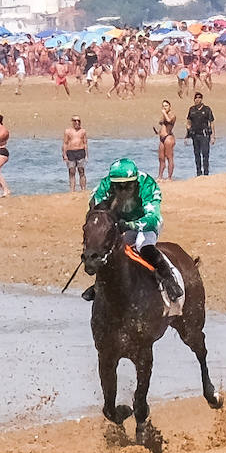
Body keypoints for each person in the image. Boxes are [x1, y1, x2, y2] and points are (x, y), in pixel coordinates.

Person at [86, 158, 183, 303]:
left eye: (127, 187)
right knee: (107, 250)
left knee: (142, 246)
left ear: (134, 182)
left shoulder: (147, 185)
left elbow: (153, 217)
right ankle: (98, 284)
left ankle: (169, 280)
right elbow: (96, 210)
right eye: (118, 187)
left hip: (146, 224)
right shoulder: (105, 185)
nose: (122, 191)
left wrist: (131, 225)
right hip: (119, 224)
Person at [186, 91, 215, 176]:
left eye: (199, 98)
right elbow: (188, 121)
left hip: (205, 135)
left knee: (205, 154)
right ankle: (198, 172)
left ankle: (206, 173)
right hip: (195, 135)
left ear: (201, 99)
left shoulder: (207, 109)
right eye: (196, 98)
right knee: (196, 154)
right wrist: (187, 133)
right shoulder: (192, 109)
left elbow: (211, 122)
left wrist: (213, 136)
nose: (197, 100)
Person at [62, 116, 88, 192]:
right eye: (75, 120)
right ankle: (72, 190)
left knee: (81, 171)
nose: (77, 122)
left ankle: (83, 189)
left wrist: (86, 155)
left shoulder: (83, 131)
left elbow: (85, 143)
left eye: (79, 121)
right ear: (72, 122)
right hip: (71, 152)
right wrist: (64, 154)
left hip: (80, 152)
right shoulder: (68, 131)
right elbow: (65, 143)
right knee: (71, 171)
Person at [155, 100, 177, 180]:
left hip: (169, 138)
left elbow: (169, 121)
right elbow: (163, 125)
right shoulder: (164, 115)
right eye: (163, 106)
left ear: (170, 106)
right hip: (162, 138)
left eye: (166, 106)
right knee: (161, 158)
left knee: (169, 157)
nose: (164, 107)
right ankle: (160, 176)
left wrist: (164, 113)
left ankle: (169, 177)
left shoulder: (172, 115)